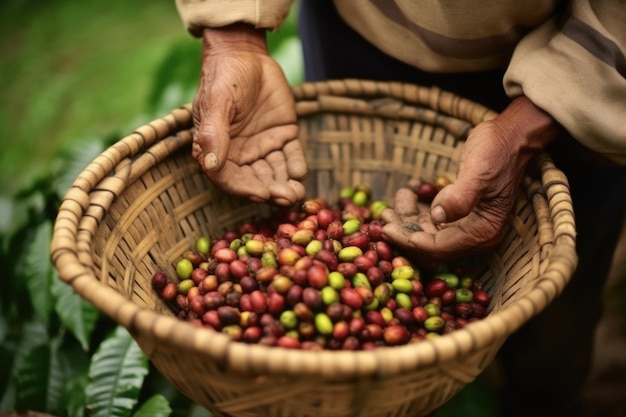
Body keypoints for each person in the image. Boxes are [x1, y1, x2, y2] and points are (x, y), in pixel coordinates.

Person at [174, 1, 626, 415]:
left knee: (556, 321)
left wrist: (526, 127)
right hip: (359, 27)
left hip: (584, 66)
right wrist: (233, 34)